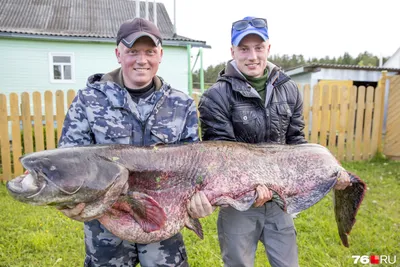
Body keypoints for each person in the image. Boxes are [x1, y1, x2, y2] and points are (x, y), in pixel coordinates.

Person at [188, 16, 351, 267]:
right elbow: (221, 156)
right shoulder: (215, 96)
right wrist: (250, 188)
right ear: (232, 51)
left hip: (279, 200)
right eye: (244, 48)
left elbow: (296, 141)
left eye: (258, 47)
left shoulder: (289, 89)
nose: (252, 56)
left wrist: (327, 172)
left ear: (268, 49)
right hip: (238, 204)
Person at [58, 18, 199, 267]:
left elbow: (194, 165)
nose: (141, 60)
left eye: (149, 52)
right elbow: (68, 160)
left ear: (160, 55)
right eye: (132, 51)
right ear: (118, 54)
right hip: (106, 225)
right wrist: (71, 200)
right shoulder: (89, 101)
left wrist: (197, 199)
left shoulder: (181, 104)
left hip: (162, 224)